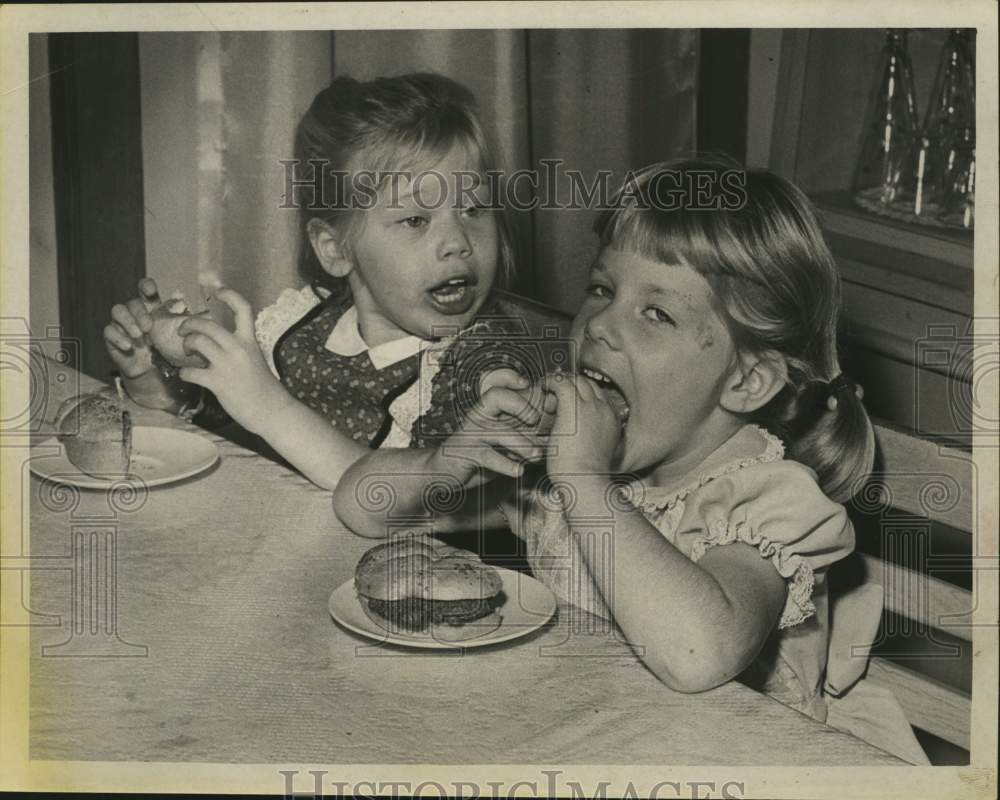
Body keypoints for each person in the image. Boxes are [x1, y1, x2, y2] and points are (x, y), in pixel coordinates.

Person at [332, 159, 929, 764]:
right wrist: (444, 463)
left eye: (656, 313)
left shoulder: (763, 500)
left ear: (747, 381)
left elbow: (698, 656)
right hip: (595, 739)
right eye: (601, 289)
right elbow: (360, 508)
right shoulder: (562, 463)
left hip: (738, 763)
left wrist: (587, 486)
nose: (600, 327)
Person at [102, 73, 551, 490]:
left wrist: (266, 405)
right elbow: (225, 434)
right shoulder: (303, 324)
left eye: (474, 209)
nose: (457, 242)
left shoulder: (490, 367)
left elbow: (398, 496)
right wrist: (150, 378)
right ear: (335, 250)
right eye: (416, 219)